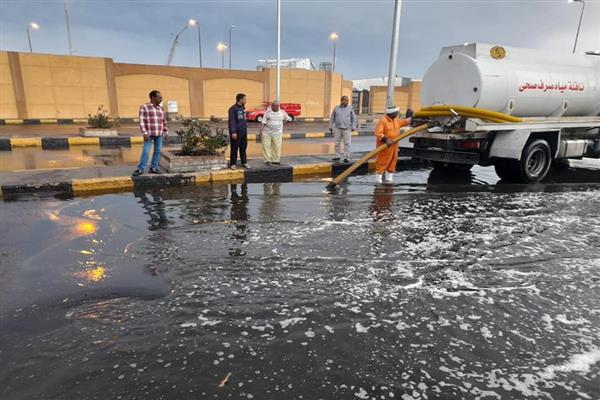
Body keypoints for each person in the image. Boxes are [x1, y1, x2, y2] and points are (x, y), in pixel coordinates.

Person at [132, 90, 168, 176]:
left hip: (159, 133)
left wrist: (165, 131)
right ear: (153, 97)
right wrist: (144, 133)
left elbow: (164, 121)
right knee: (146, 151)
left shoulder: (161, 108)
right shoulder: (144, 107)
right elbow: (141, 121)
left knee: (158, 151)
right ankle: (140, 169)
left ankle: (153, 168)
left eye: (161, 98)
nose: (161, 99)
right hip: (149, 134)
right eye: (159, 97)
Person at [374, 106, 412, 184]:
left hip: (394, 146)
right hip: (385, 147)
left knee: (392, 161)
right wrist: (386, 140)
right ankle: (378, 180)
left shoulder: (396, 120)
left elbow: (405, 122)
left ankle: (389, 179)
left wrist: (412, 118)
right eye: (396, 112)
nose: (397, 114)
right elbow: (378, 133)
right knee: (382, 161)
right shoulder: (383, 121)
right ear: (391, 113)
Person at [259, 100, 290, 165]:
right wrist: (260, 131)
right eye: (272, 105)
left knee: (277, 146)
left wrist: (281, 124)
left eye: (273, 105)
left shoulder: (282, 112)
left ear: (277, 106)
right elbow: (263, 122)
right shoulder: (268, 112)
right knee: (266, 146)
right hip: (267, 132)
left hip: (277, 133)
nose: (271, 106)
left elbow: (287, 119)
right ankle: (268, 160)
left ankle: (276, 160)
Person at [329, 95, 357, 163]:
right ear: (342, 101)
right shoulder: (336, 108)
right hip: (337, 128)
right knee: (337, 143)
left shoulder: (350, 108)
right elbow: (332, 118)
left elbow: (354, 118)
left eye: (348, 100)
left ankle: (346, 157)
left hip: (347, 128)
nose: (347, 102)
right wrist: (330, 126)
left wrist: (353, 126)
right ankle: (337, 156)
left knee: (347, 143)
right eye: (346, 100)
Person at [228, 93, 249, 169]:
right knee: (234, 148)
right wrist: (233, 132)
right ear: (240, 100)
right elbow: (232, 121)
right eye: (245, 99)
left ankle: (244, 162)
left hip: (243, 131)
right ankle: (233, 164)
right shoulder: (233, 109)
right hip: (236, 132)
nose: (246, 100)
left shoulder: (243, 107)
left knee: (243, 148)